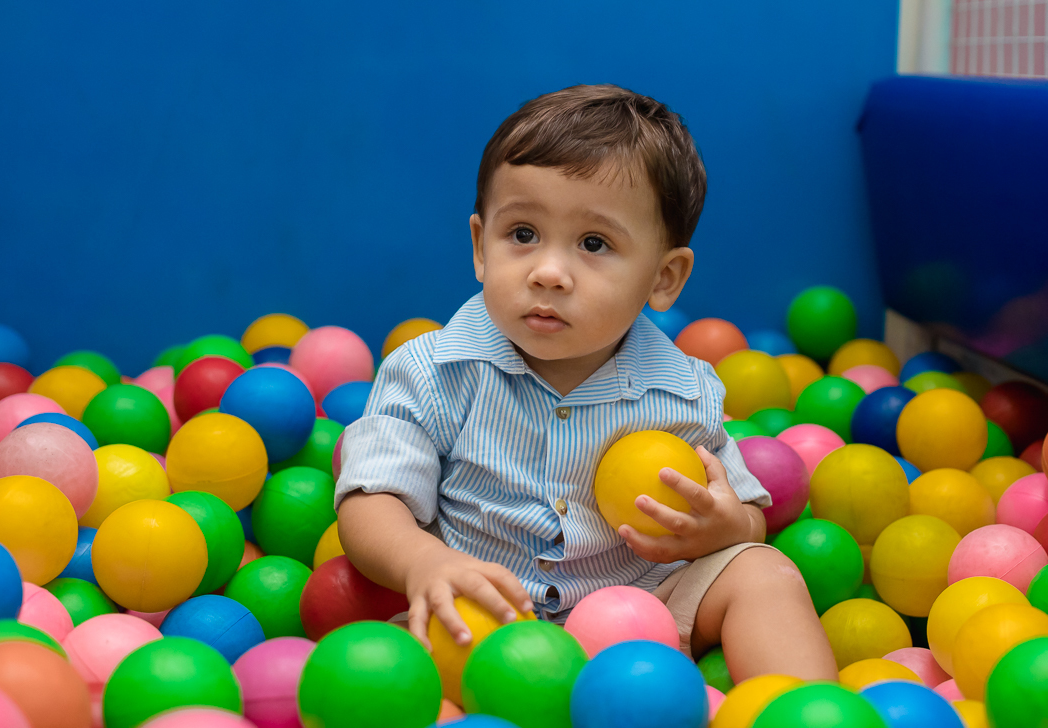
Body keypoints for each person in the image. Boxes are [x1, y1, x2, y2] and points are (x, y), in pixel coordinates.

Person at [336, 84, 836, 682]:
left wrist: (729, 527)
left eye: (593, 244)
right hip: (478, 613)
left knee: (763, 571)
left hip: (643, 611)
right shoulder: (434, 372)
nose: (548, 272)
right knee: (378, 672)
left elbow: (744, 508)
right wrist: (424, 563)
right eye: (522, 234)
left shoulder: (682, 390)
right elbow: (372, 498)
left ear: (664, 277)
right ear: (479, 245)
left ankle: (797, 709)